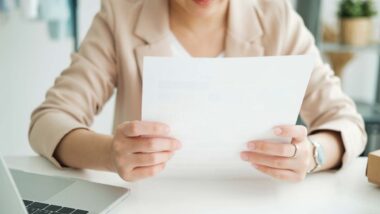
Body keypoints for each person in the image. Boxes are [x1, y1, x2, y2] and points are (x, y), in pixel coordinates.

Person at [29, 0, 367, 182]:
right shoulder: (121, 14)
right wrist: (109, 154)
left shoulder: (276, 15)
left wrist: (312, 155)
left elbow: (345, 122)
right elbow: (49, 121)